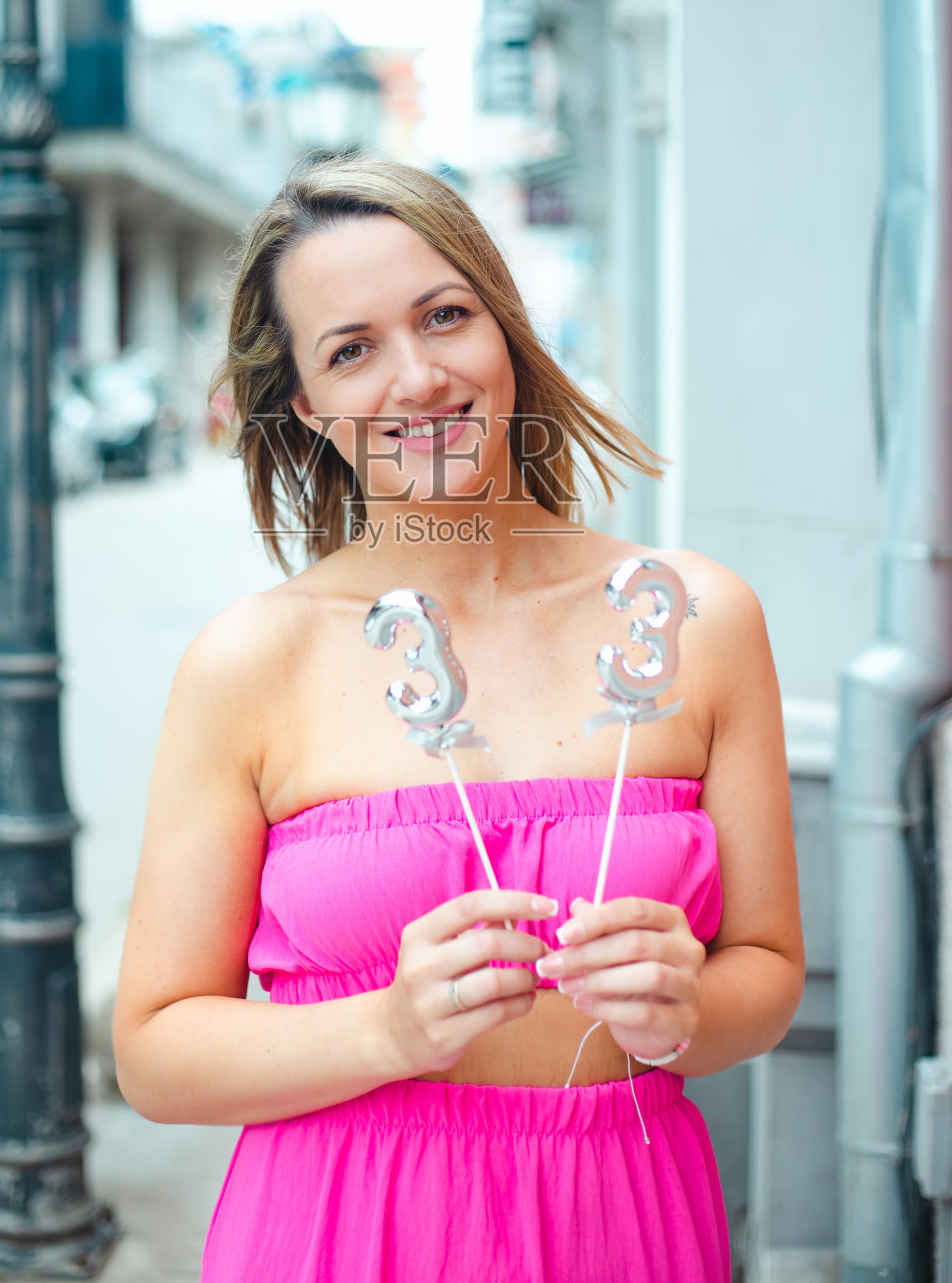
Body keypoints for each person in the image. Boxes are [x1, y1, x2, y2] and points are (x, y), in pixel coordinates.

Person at [112, 156, 804, 1283]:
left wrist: (685, 1007)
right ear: (304, 405)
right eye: (351, 349)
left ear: (505, 326)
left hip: (619, 1218)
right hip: (341, 1226)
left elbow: (766, 971)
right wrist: (383, 1031)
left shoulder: (699, 619)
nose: (419, 377)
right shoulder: (251, 661)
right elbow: (153, 1052)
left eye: (444, 316)